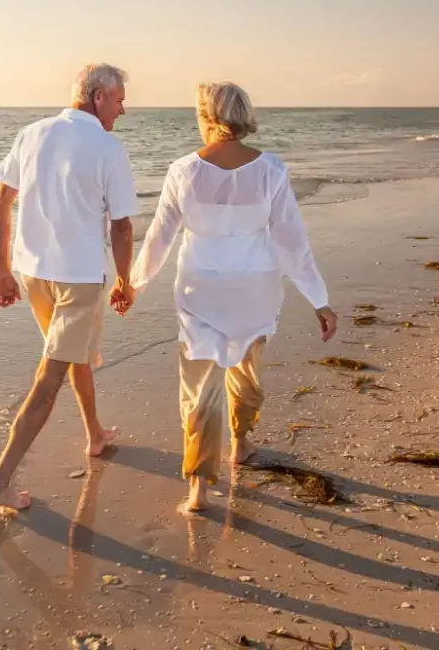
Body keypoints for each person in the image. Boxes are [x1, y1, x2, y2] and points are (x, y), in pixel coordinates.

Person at [122, 82, 337, 513]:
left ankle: (198, 489)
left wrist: (132, 284)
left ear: (206, 116)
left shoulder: (183, 170)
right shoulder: (272, 169)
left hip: (200, 289)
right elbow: (292, 243)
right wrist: (319, 299)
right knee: (247, 371)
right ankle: (239, 443)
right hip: (255, 289)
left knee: (200, 388)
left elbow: (160, 239)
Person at [0, 63, 138, 511]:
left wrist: (4, 271)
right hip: (78, 280)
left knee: (75, 355)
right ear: (98, 97)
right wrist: (125, 280)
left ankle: (94, 434)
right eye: (119, 100)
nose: (122, 110)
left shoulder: (32, 133)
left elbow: (1, 205)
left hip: (33, 274)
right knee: (49, 378)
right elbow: (122, 226)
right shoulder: (108, 148)